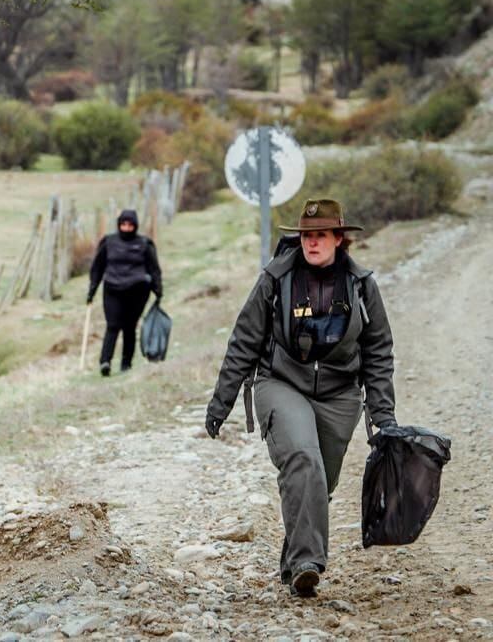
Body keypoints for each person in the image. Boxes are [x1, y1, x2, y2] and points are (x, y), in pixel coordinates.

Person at [204, 199, 397, 598]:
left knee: (318, 483)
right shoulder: (276, 279)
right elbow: (244, 340)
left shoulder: (361, 285)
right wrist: (220, 403)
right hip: (281, 382)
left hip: (340, 393)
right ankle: (308, 563)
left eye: (321, 235)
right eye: (307, 235)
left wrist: (384, 415)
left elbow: (378, 350)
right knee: (303, 459)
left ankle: (294, 554)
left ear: (339, 239)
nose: (312, 243)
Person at [87, 209, 162, 376]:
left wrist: (158, 289)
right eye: (123, 224)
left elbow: (154, 269)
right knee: (113, 325)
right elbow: (97, 268)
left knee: (129, 327)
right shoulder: (108, 242)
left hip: (137, 291)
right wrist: (92, 289)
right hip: (113, 289)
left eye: (130, 225)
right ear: (119, 224)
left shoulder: (144, 244)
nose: (126, 228)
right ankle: (105, 362)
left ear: (135, 226)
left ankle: (126, 364)